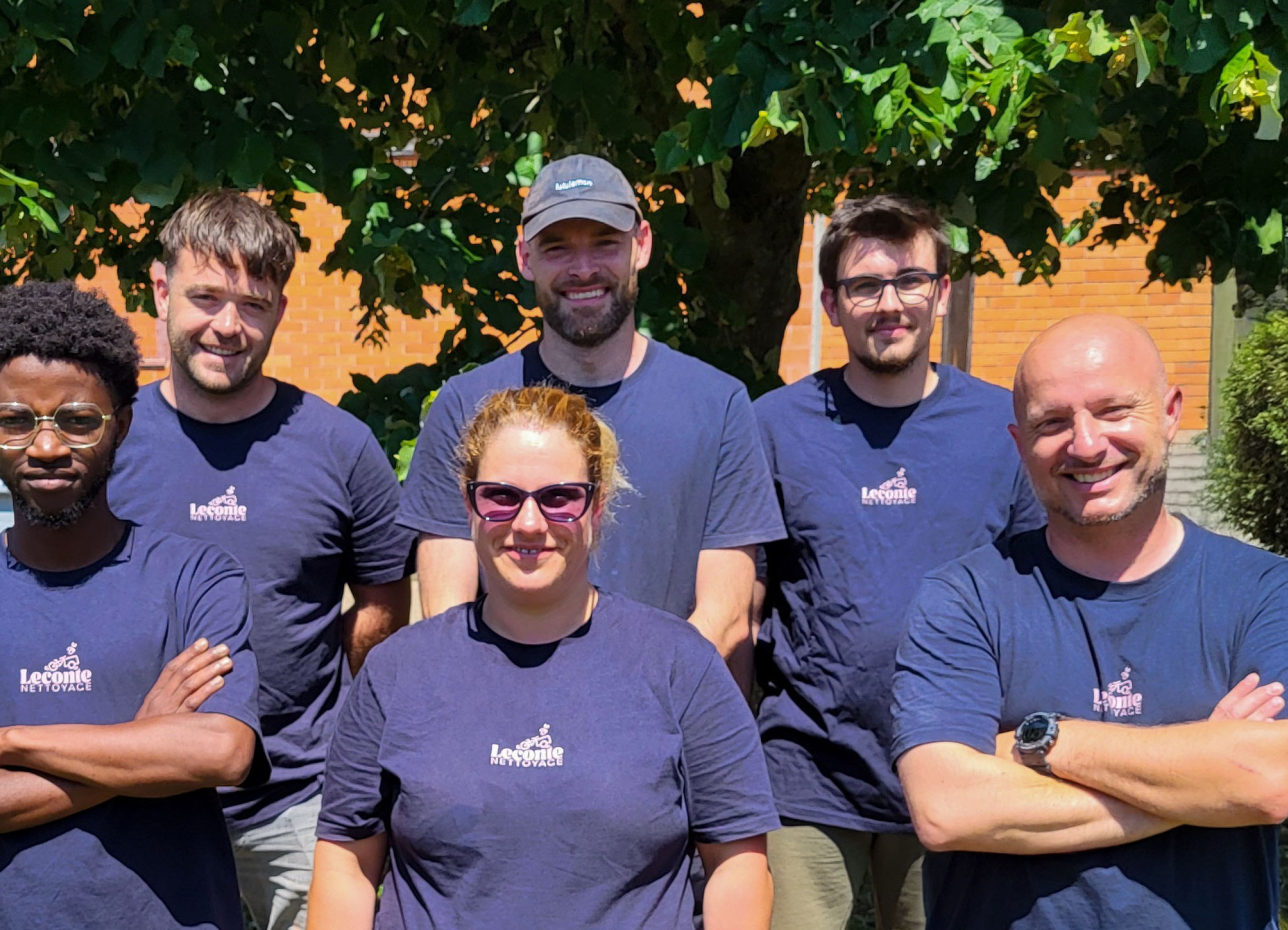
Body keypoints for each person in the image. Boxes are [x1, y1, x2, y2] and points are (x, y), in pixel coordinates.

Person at [890, 315, 1288, 929]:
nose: (1085, 444)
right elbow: (948, 808)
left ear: (1172, 412)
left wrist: (1043, 742)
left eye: (1113, 410)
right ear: (1020, 443)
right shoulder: (961, 598)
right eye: (1052, 422)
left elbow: (1267, 781)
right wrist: (1202, 780)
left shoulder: (1273, 593)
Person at [0, 281, 266, 929]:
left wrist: (1, 742)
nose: (46, 447)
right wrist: (139, 748)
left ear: (122, 423)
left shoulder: (195, 576)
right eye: (16, 420)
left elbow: (219, 753)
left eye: (78, 420)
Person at [310, 386, 778, 929]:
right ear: (469, 505)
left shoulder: (680, 665)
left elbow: (738, 867)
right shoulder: (397, 672)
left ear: (596, 507)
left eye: (559, 497)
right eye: (501, 496)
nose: (529, 523)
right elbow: (346, 863)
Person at [107, 190, 413, 929]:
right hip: (138, 800)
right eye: (205, 297)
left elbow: (381, 608)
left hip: (302, 803)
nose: (227, 326)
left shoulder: (339, 448)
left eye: (252, 303)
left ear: (278, 309)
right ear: (159, 289)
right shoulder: (103, 442)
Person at [750, 195, 1043, 929]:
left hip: (958, 759)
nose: (889, 304)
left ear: (941, 292)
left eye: (910, 280)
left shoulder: (1000, 427)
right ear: (830, 302)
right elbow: (741, 596)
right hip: (808, 770)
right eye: (863, 286)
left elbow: (1041, 593)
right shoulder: (774, 427)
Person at [398, 153, 783, 688]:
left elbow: (724, 618)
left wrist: (612, 726)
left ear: (641, 245)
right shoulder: (466, 406)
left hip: (664, 731)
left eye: (604, 242)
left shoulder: (716, 406)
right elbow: (447, 613)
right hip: (507, 730)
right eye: (557, 248)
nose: (582, 269)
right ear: (525, 258)